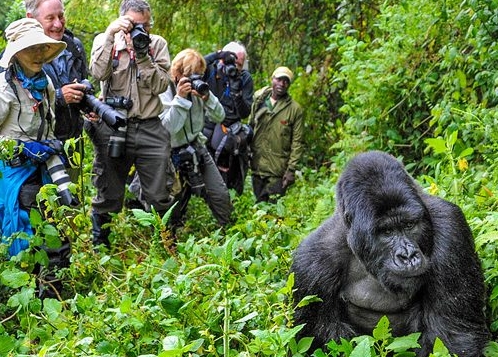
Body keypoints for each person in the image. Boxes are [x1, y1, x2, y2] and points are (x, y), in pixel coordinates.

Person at [87, 0, 172, 247]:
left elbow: (161, 86)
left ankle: (164, 241)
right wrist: (111, 34)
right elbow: (98, 74)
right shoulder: (107, 41)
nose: (140, 30)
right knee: (109, 191)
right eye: (134, 25)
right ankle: (100, 244)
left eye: (145, 25)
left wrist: (143, 56)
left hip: (150, 125)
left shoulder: (157, 45)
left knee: (159, 193)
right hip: (115, 125)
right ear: (123, 20)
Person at [0, 18, 68, 296]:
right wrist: (19, 146)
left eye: (42, 48)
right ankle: (23, 296)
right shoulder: (5, 88)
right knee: (22, 234)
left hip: (43, 170)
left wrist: (51, 146)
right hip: (14, 173)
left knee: (55, 228)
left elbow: (47, 124)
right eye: (32, 49)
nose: (39, 55)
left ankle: (52, 292)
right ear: (17, 53)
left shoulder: (45, 83)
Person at [160, 48, 233, 228]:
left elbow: (220, 117)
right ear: (177, 74)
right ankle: (169, 237)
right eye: (190, 75)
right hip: (171, 152)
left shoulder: (199, 89)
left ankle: (228, 229)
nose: (195, 80)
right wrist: (181, 99)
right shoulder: (164, 90)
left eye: (198, 75)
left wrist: (208, 98)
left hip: (196, 146)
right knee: (173, 200)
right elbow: (170, 128)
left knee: (219, 193)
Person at [25, 0, 89, 145]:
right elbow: (17, 109)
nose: (58, 24)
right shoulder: (19, 55)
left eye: (61, 16)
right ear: (31, 18)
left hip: (73, 143)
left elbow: (82, 81)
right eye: (50, 18)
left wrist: (88, 105)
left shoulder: (74, 46)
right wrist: (59, 97)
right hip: (38, 148)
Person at [202, 41, 254, 195]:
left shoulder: (244, 78)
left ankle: (227, 196)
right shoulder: (210, 69)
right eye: (231, 62)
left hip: (228, 131)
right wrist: (216, 55)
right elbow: (190, 68)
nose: (235, 68)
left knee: (228, 172)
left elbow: (244, 113)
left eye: (239, 64)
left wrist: (236, 92)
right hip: (205, 126)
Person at [249, 66, 303, 202]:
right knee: (259, 206)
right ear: (272, 79)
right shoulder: (259, 100)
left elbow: (297, 142)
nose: (282, 84)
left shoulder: (294, 109)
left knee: (273, 210)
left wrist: (291, 170)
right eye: (279, 79)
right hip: (257, 166)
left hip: (277, 170)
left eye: (286, 81)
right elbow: (250, 127)